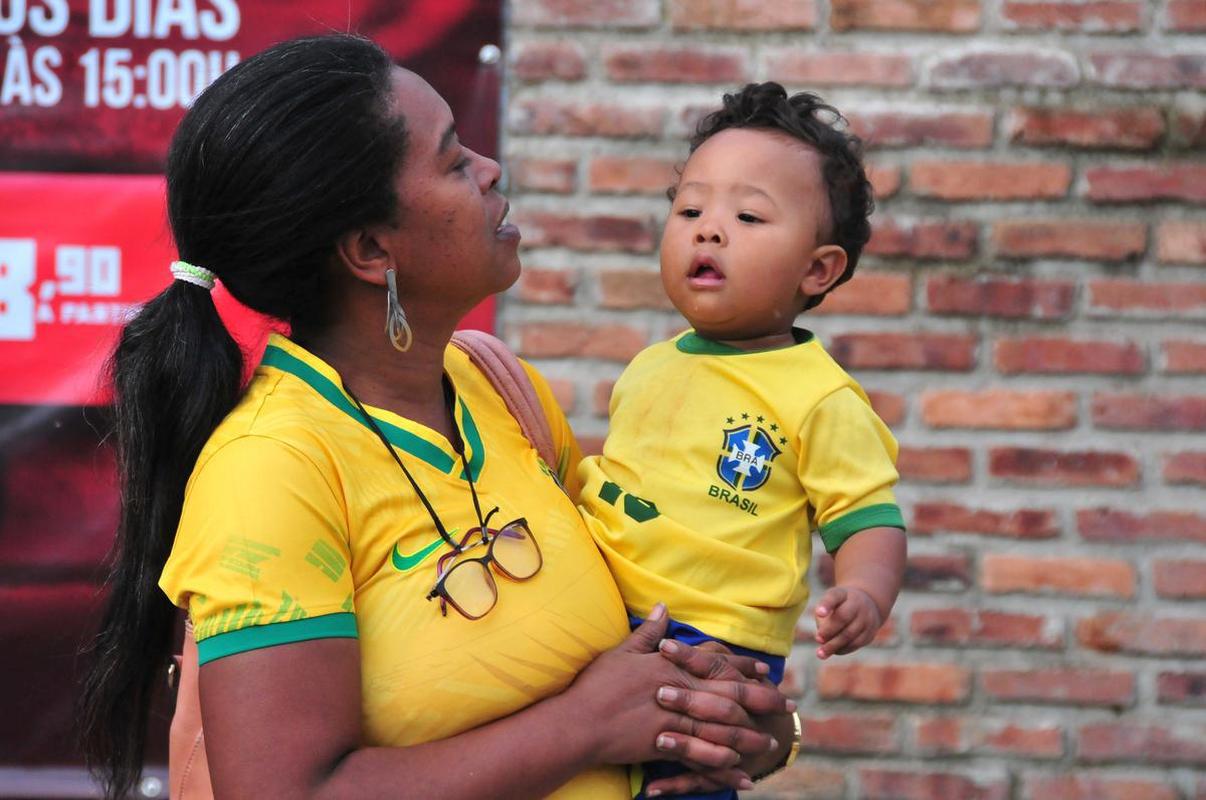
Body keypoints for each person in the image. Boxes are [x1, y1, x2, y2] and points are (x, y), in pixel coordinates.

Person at [77, 37, 797, 800]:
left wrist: (747, 727)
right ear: (369, 249)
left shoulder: (495, 384)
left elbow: (644, 642)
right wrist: (582, 725)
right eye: (454, 162)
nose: (490, 170)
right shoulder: (272, 469)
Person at [577, 82, 909, 799]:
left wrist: (865, 593)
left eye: (748, 215)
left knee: (686, 772)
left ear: (818, 269)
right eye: (690, 209)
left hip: (712, 647)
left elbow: (869, 518)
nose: (708, 230)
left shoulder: (816, 396)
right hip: (599, 619)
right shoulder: (649, 367)